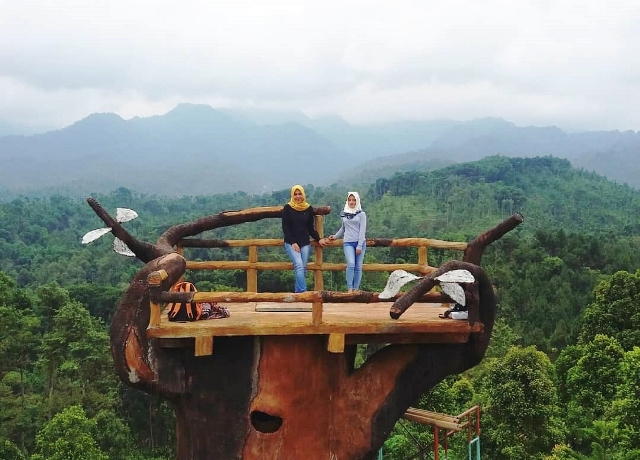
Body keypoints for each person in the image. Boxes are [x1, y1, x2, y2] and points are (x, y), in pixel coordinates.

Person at [282, 185, 328, 293]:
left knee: (302, 267)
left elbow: (310, 228)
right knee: (298, 264)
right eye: (295, 194)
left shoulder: (308, 208)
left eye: (299, 194)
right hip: (291, 242)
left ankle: (298, 294)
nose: (298, 196)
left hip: (305, 243)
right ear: (292, 195)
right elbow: (286, 228)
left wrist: (319, 239)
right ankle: (304, 292)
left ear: (303, 195)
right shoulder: (287, 208)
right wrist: (293, 242)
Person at [328, 192, 367, 292]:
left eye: (354, 200)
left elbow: (362, 230)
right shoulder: (344, 214)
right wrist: (335, 236)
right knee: (351, 264)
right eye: (350, 200)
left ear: (357, 201)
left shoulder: (361, 214)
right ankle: (350, 288)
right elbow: (343, 228)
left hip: (359, 243)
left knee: (358, 266)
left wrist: (359, 245)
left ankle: (356, 289)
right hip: (348, 242)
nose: (351, 202)